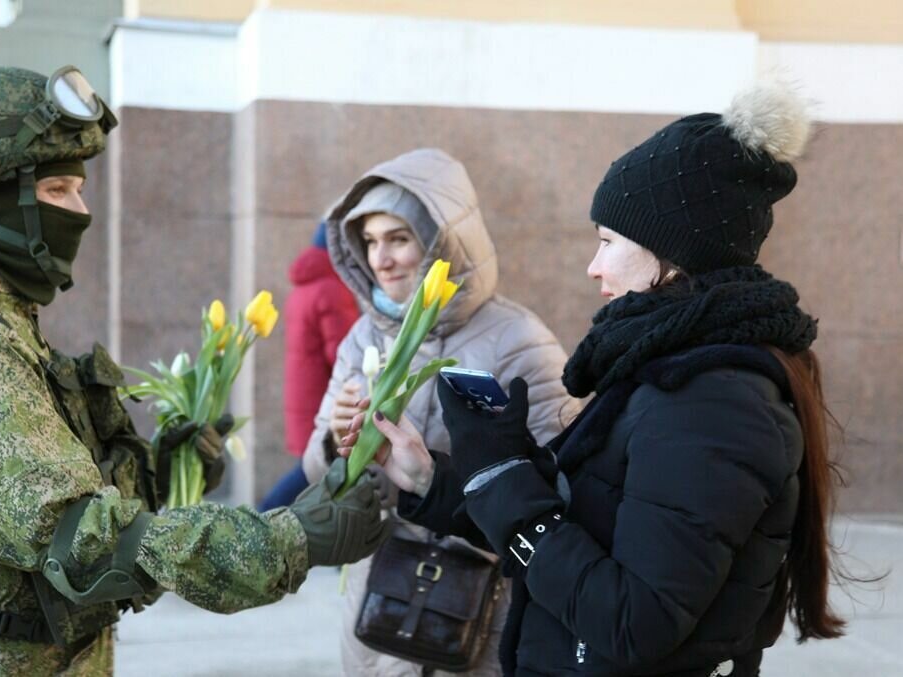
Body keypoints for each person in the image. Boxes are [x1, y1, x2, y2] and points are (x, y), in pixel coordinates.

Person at [0, 66, 388, 675]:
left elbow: (32, 501)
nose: (82, 211)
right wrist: (289, 541)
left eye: (78, 188)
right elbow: (78, 544)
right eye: (57, 192)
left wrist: (161, 474)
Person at [347, 82, 849, 676]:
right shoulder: (664, 371)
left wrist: (500, 473)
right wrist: (433, 479)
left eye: (609, 242)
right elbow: (575, 533)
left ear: (672, 255)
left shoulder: (714, 404)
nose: (594, 266)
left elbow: (631, 621)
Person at [303, 147, 574, 676]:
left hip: (474, 610)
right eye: (370, 242)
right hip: (378, 607)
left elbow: (559, 481)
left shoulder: (518, 339)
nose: (381, 259)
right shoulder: (363, 337)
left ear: (445, 240)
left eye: (399, 239)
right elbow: (320, 475)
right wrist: (335, 444)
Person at [259, 221, 359, 511]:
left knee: (309, 473)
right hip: (323, 403)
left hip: (304, 397)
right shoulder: (332, 289)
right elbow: (344, 353)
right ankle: (262, 517)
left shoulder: (304, 287)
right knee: (307, 474)